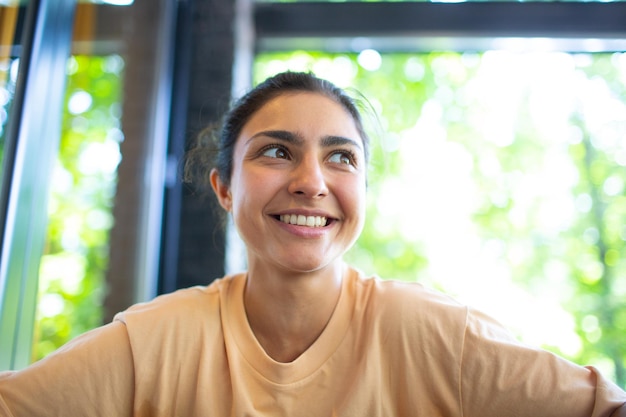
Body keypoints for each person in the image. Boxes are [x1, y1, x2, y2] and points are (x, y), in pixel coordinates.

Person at [0, 71, 625, 417]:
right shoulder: (153, 344)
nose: (310, 182)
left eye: (341, 158)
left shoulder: (435, 336)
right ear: (224, 187)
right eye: (276, 151)